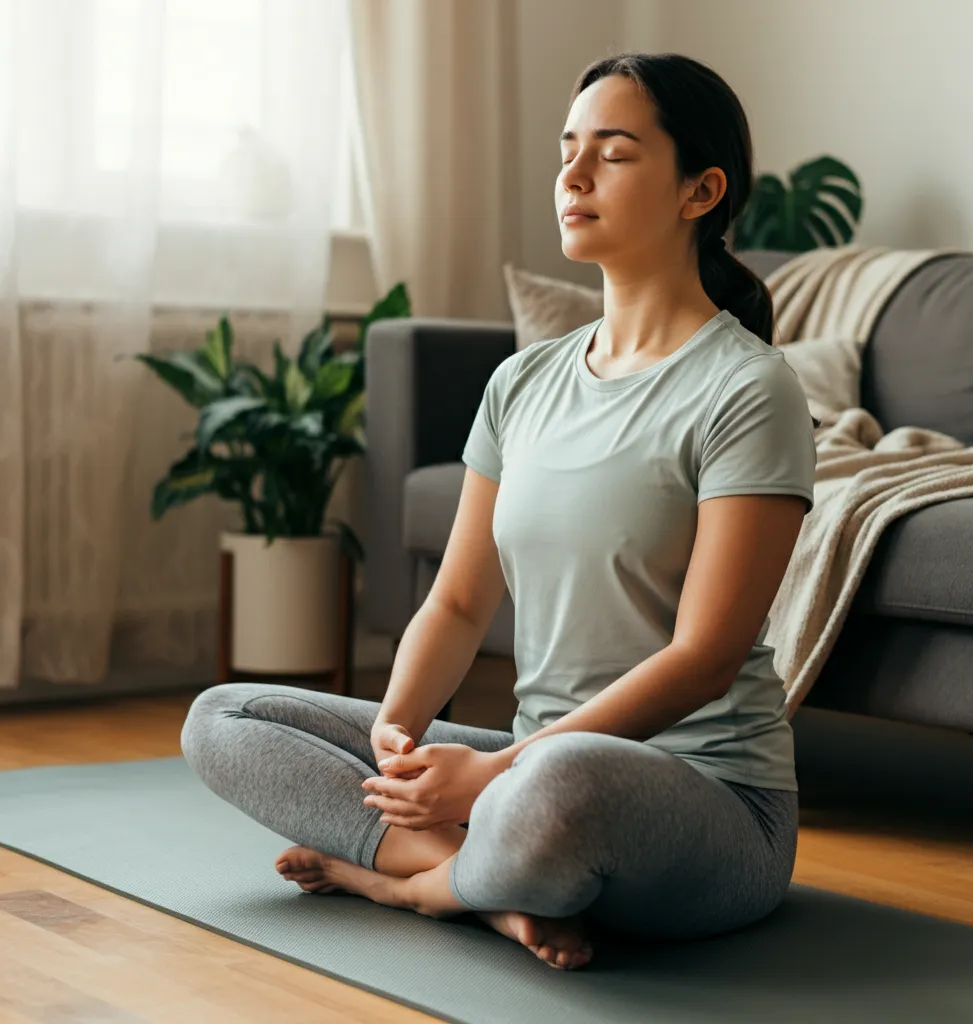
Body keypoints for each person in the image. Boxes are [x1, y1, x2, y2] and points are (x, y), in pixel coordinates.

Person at [180, 52, 816, 973]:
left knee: (554, 790)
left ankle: (409, 885)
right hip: (519, 774)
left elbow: (704, 656)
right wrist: (394, 747)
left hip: (699, 796)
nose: (574, 174)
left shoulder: (749, 389)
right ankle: (496, 892)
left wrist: (490, 777)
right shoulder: (522, 383)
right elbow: (456, 602)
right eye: (568, 149)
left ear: (700, 190)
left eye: (616, 152)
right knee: (222, 717)